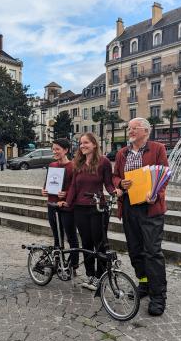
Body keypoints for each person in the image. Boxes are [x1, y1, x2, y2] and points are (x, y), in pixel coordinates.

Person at [112, 117, 169, 316]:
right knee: (135, 250)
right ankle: (143, 283)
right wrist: (120, 184)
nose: (130, 131)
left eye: (134, 128)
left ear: (145, 130)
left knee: (152, 252)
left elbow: (164, 174)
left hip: (150, 207)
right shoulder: (122, 153)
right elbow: (115, 176)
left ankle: (158, 296)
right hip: (129, 206)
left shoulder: (157, 148)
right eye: (129, 128)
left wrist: (155, 193)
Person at [60, 133, 117, 291]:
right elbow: (73, 186)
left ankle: (100, 276)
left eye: (86, 142)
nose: (82, 145)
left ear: (94, 144)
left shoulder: (104, 162)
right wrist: (67, 203)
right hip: (80, 208)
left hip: (97, 208)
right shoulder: (77, 162)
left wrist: (114, 192)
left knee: (100, 244)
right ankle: (90, 274)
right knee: (86, 244)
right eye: (80, 143)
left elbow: (108, 183)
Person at [41, 139, 79, 273]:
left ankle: (73, 266)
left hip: (66, 207)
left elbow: (77, 188)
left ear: (66, 150)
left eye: (57, 149)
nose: (54, 152)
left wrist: (66, 193)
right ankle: (58, 263)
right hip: (52, 204)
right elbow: (47, 183)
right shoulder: (52, 165)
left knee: (71, 237)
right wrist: (44, 190)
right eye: (53, 149)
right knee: (57, 236)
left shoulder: (73, 167)